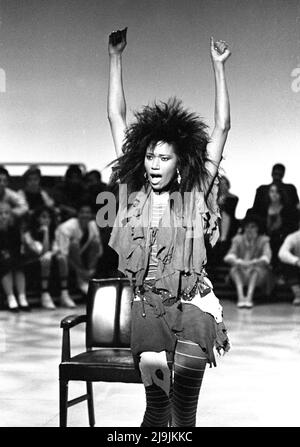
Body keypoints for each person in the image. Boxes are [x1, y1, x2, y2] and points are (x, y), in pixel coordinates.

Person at [106, 27, 231, 427]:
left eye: (164, 157)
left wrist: (218, 67)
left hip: (194, 305)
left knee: (184, 412)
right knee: (158, 408)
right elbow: (115, 116)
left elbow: (222, 127)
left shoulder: (195, 193)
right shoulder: (132, 195)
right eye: (149, 156)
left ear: (180, 163)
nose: (154, 164)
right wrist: (115, 58)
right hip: (148, 308)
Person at [22, 206, 76, 309]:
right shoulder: (28, 234)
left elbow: (57, 248)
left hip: (49, 259)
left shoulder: (55, 231)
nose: (47, 220)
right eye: (43, 217)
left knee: (62, 258)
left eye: (48, 217)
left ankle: (64, 293)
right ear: (37, 219)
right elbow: (40, 252)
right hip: (33, 263)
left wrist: (50, 253)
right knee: (46, 259)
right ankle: (44, 294)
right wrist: (46, 233)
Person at [224, 213, 272, 308]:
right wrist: (238, 261)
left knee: (255, 270)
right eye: (247, 227)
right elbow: (229, 256)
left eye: (253, 227)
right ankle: (241, 297)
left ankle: (249, 298)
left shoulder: (264, 240)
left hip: (259, 274)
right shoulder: (238, 239)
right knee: (234, 269)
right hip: (242, 271)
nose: (250, 229)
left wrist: (253, 262)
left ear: (258, 228)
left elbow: (266, 258)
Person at [55, 202, 103, 295]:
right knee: (74, 244)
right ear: (78, 214)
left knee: (95, 242)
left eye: (88, 212)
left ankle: (90, 279)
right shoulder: (66, 227)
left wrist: (91, 269)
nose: (85, 215)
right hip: (62, 256)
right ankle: (81, 281)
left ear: (91, 215)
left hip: (84, 258)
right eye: (82, 212)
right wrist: (80, 272)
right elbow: (64, 254)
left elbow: (98, 251)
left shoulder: (92, 225)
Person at [0, 202, 29, 311]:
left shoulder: (14, 228)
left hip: (12, 254)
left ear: (10, 215)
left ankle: (22, 297)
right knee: (6, 263)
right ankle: (11, 297)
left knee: (18, 264)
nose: (3, 216)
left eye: (6, 213)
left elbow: (17, 246)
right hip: (1, 256)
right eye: (1, 213)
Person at [278, 212, 300, 305]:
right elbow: (282, 253)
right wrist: (296, 261)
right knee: (287, 264)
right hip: (298, 266)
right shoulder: (293, 237)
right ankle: (298, 294)